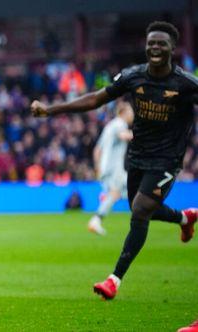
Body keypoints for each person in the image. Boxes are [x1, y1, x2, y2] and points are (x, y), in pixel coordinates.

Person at [31, 21, 198, 300]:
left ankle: (114, 280)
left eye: (162, 43)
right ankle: (184, 217)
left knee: (141, 209)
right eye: (151, 42)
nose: (155, 47)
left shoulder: (185, 85)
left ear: (172, 48)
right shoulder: (134, 76)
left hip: (167, 160)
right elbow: (96, 99)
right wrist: (51, 109)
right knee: (140, 207)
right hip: (138, 157)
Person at [87, 101, 134, 235]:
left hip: (106, 167)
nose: (133, 115)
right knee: (125, 190)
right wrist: (144, 135)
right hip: (114, 167)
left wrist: (98, 168)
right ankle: (96, 219)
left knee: (120, 192)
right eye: (131, 112)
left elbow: (97, 150)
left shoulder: (109, 126)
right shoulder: (120, 124)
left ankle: (100, 211)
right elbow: (124, 135)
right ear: (123, 113)